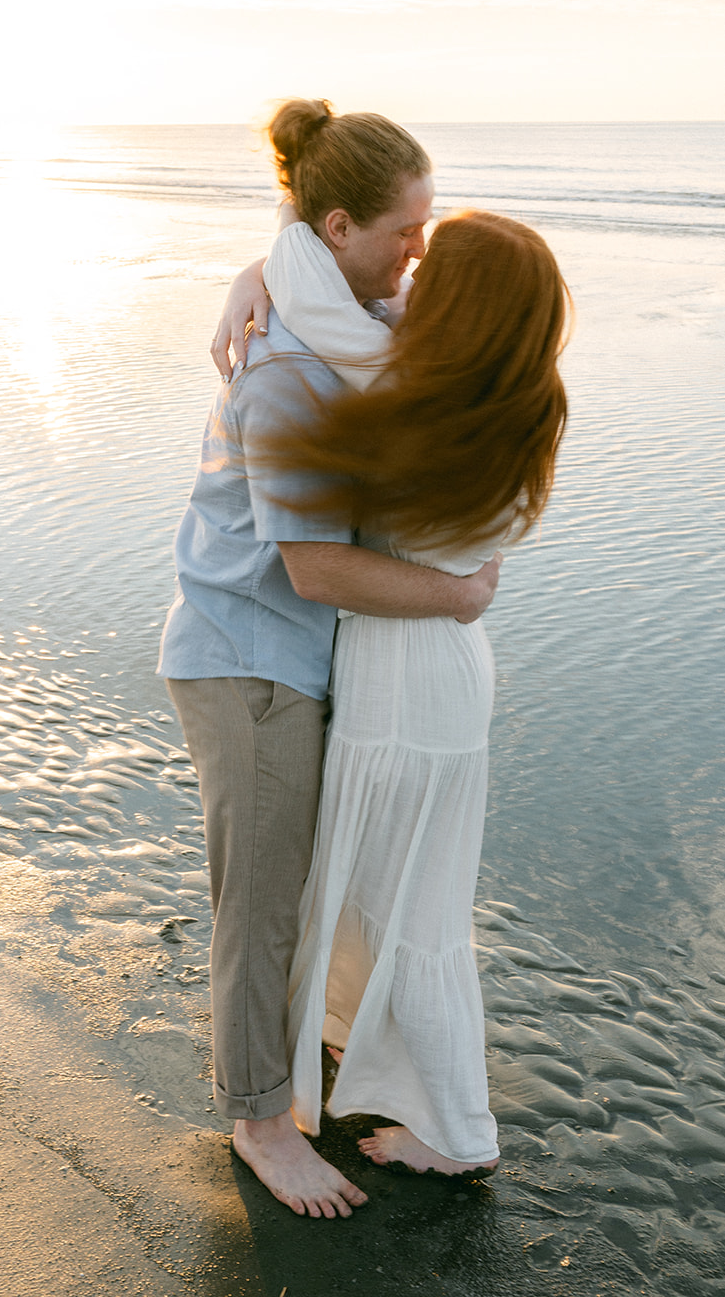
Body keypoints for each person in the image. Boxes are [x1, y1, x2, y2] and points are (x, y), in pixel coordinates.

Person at [157, 100, 503, 1217]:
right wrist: (456, 595)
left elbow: (323, 258)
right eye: (407, 230)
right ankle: (261, 1121)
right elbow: (312, 569)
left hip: (283, 652)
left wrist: (255, 262)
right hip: (250, 659)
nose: (420, 253)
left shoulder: (331, 306)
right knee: (260, 900)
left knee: (293, 887)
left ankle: (306, 1063)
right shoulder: (292, 376)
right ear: (342, 227)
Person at [249, 197, 570, 1175]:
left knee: (412, 912)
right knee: (384, 891)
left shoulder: (407, 392)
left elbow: (305, 275)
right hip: (439, 668)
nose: (413, 266)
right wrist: (246, 281)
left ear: (465, 307)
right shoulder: (519, 395)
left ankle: (457, 1136)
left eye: (434, 269)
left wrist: (271, 255)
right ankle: (363, 1041)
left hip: (404, 680)